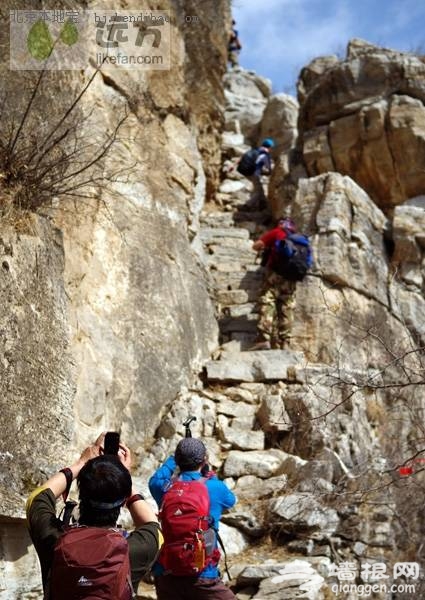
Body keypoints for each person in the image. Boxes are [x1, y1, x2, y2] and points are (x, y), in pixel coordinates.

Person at [26, 433, 162, 599]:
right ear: (123, 498)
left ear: (82, 493)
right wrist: (122, 477)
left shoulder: (53, 539)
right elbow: (153, 525)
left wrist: (81, 463)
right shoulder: (135, 550)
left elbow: (37, 497)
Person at [149, 437, 237, 600]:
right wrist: (210, 475)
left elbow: (155, 479)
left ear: (178, 460)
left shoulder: (163, 488)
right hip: (203, 575)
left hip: (167, 574)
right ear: (204, 460)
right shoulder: (216, 487)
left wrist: (172, 460)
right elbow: (231, 501)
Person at [251, 217, 311, 349]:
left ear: (281, 224)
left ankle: (263, 339)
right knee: (287, 307)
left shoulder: (277, 232)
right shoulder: (300, 239)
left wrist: (266, 248)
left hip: (275, 275)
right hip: (292, 278)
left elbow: (256, 246)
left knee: (267, 300)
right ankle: (285, 342)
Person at [248, 138, 274, 210]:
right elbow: (268, 167)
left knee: (258, 189)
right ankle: (248, 205)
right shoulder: (265, 154)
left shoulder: (256, 150)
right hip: (254, 172)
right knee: (258, 190)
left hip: (248, 170)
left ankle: (259, 205)